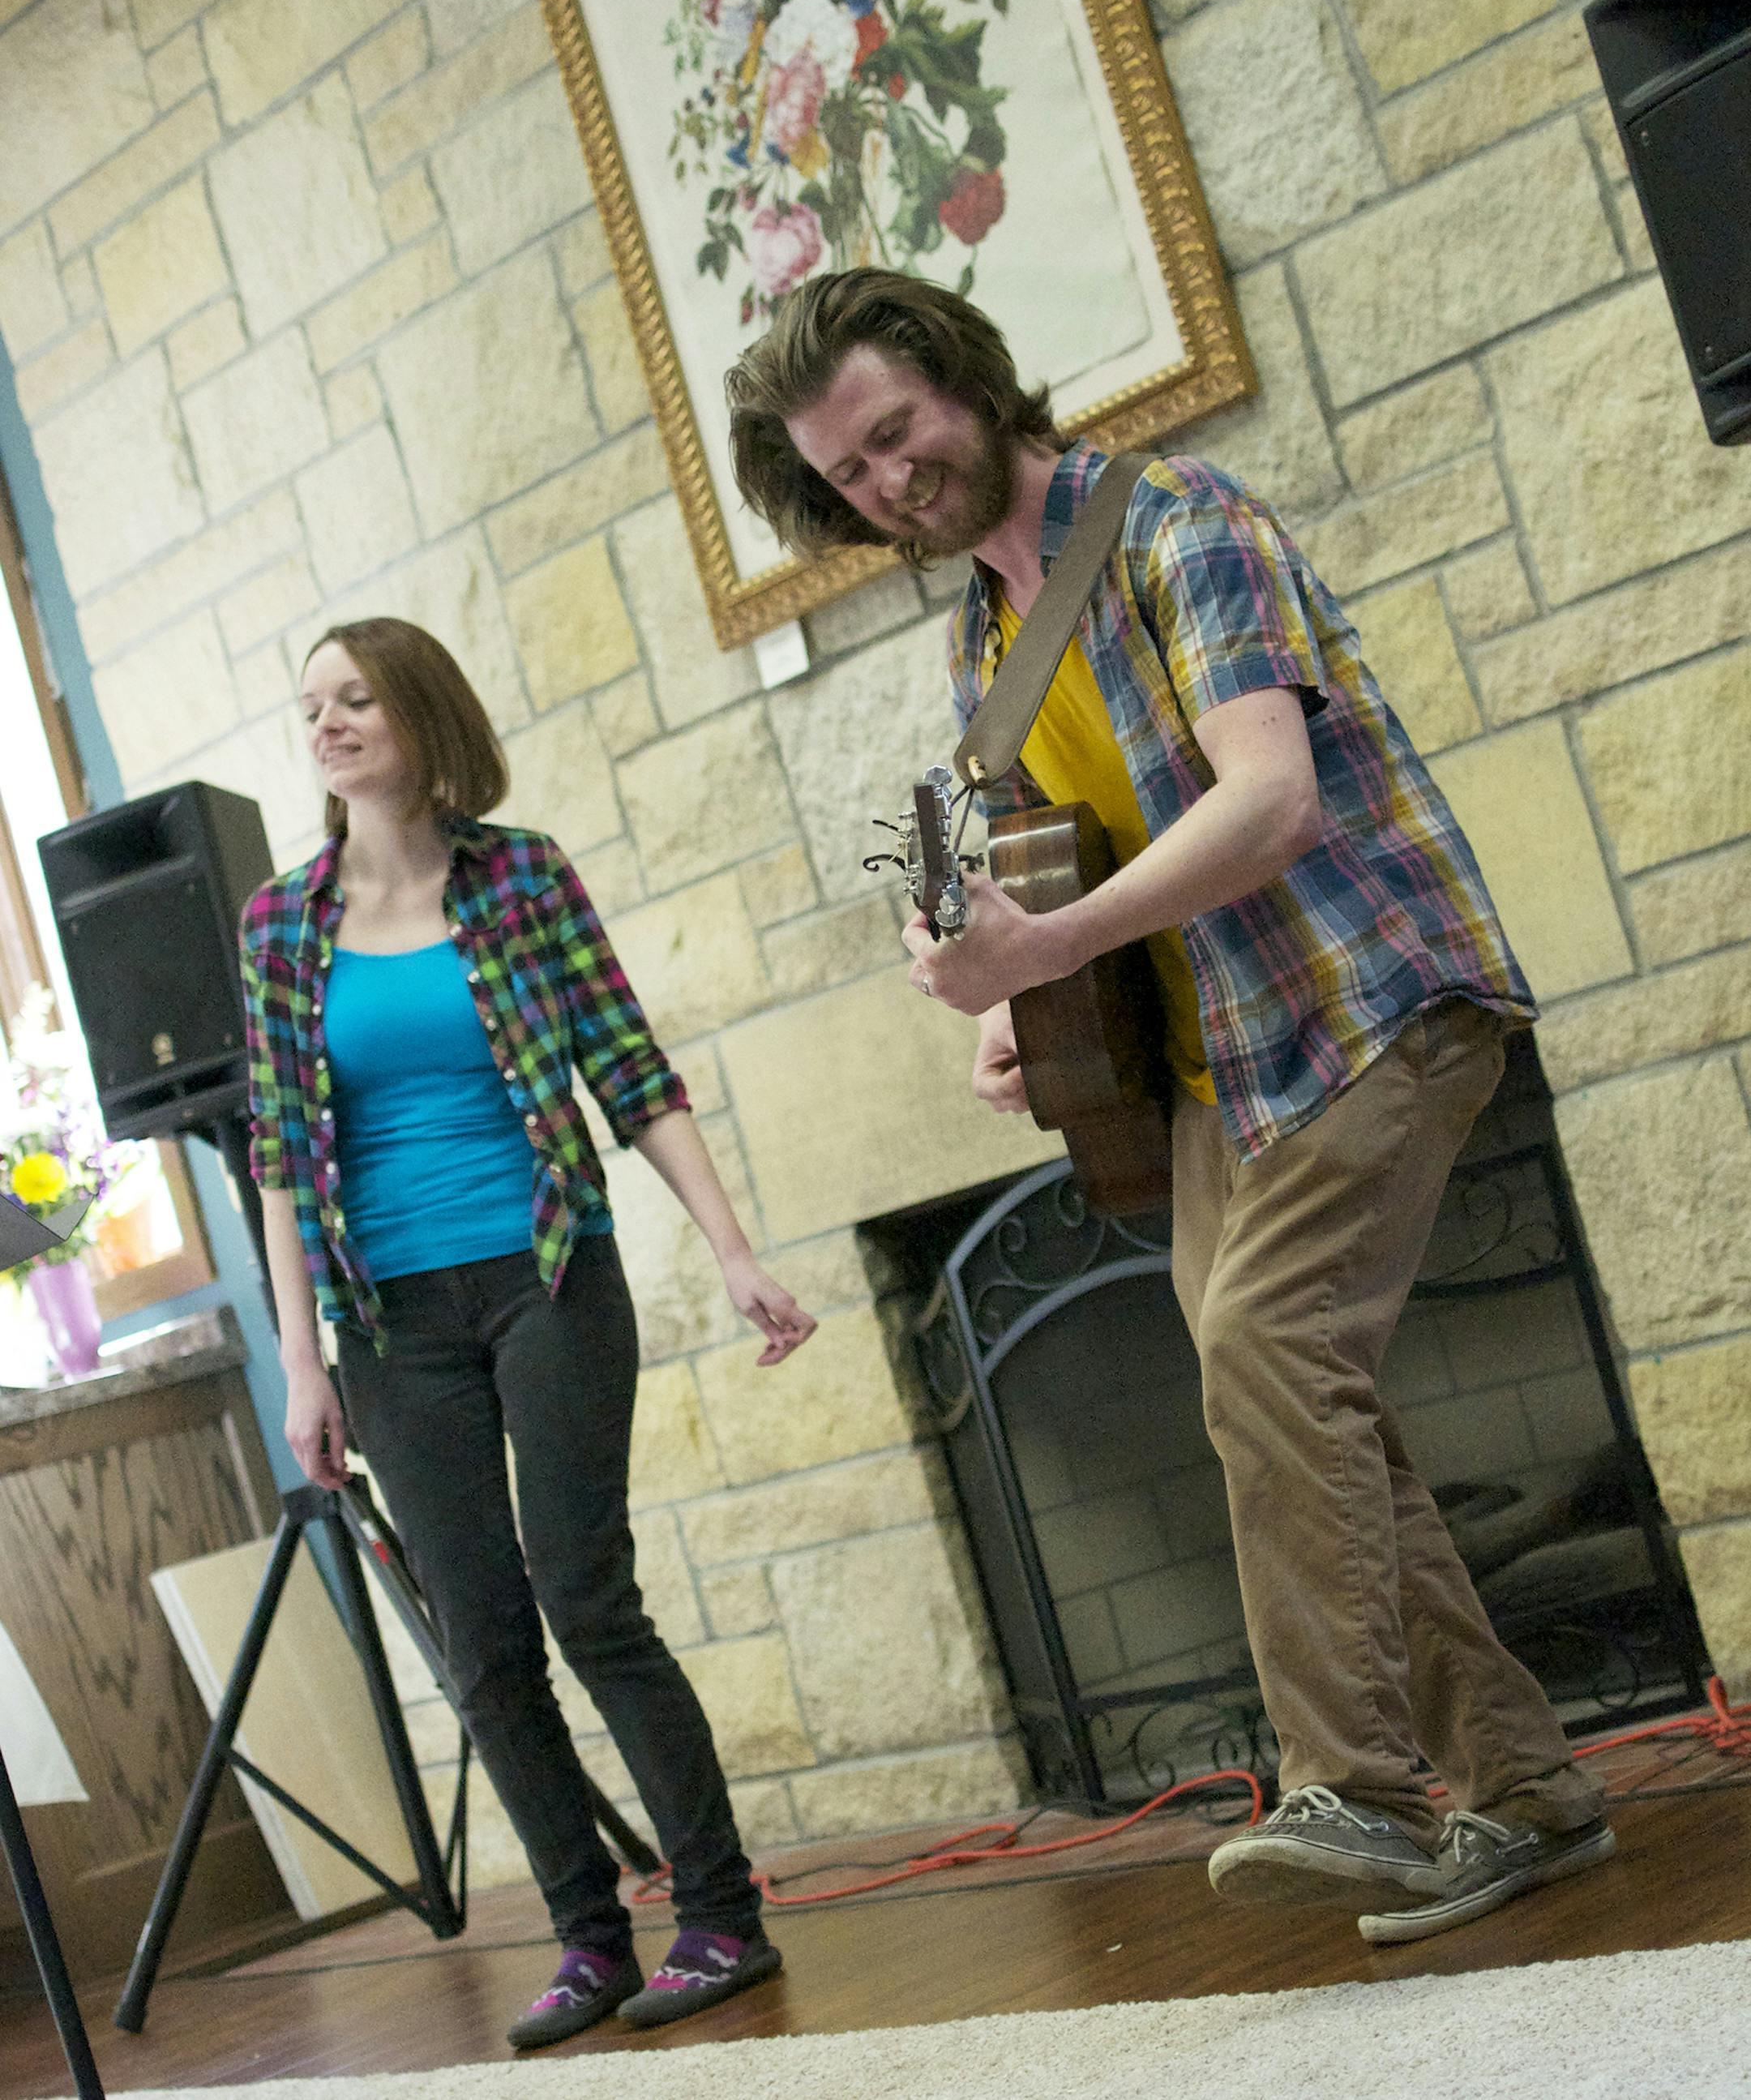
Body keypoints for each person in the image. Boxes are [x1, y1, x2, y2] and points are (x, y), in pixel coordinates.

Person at [725, 269, 1612, 1944]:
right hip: (1210, 1068)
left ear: (966, 381)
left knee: (1270, 1349)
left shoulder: (1172, 520)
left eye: (899, 432)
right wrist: (1013, 1003)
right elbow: (1035, 877)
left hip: (1366, 999)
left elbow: (1271, 800)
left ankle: (1357, 1787)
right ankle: (1525, 1788)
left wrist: (1049, 943)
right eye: (849, 473)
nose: (892, 480)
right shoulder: (982, 641)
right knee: (1298, 1414)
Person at [241, 618, 815, 2046]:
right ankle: (588, 1939)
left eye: (356, 698)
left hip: (546, 1274)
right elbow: (278, 1159)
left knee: (586, 1596)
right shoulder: (279, 924)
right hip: (390, 1320)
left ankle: (722, 1915)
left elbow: (630, 1069)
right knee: (484, 1645)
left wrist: (732, 1249)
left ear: (422, 713)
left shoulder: (522, 878)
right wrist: (303, 1365)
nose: (327, 724)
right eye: (311, 706)